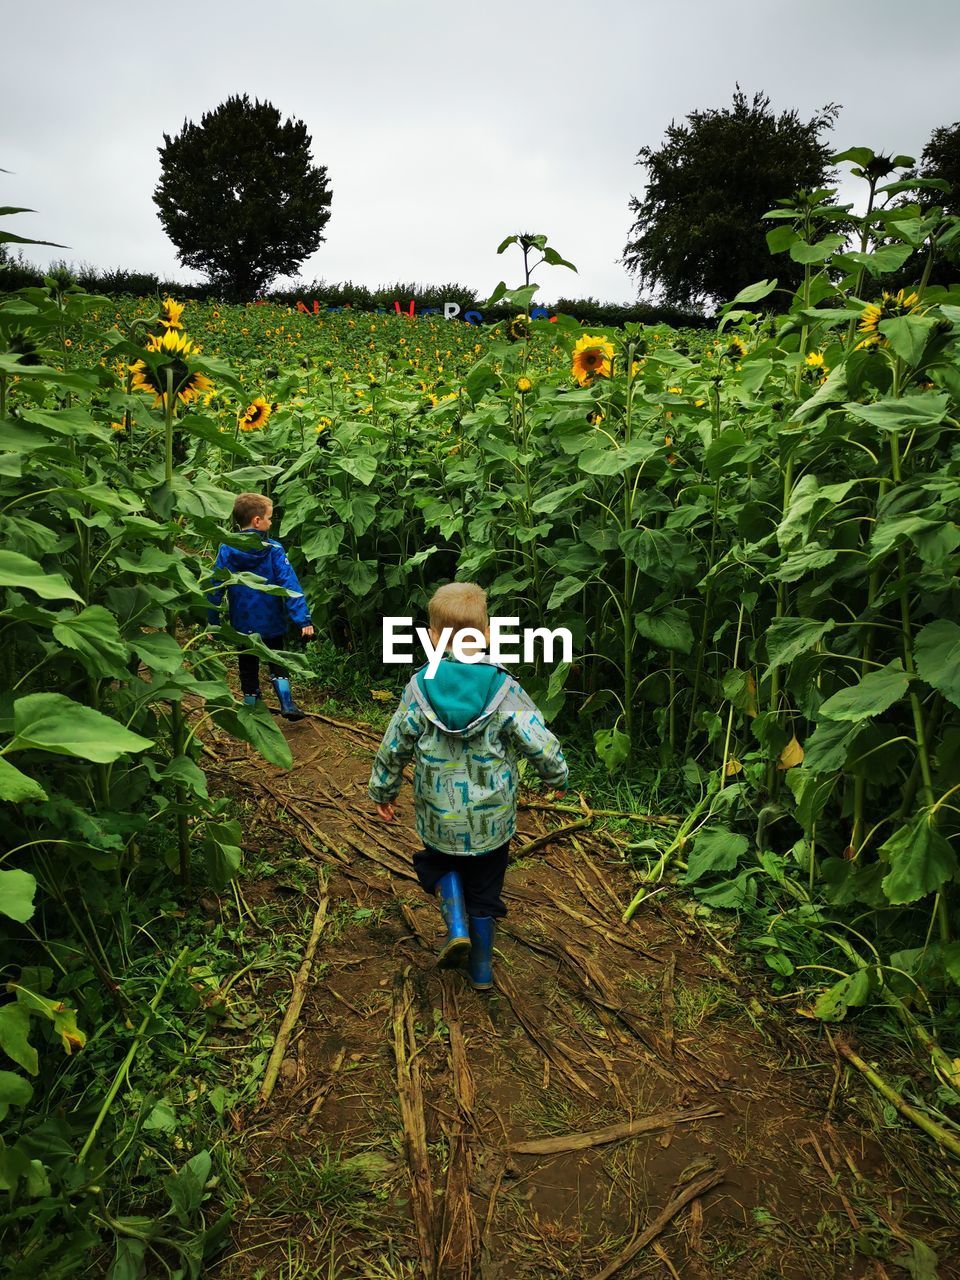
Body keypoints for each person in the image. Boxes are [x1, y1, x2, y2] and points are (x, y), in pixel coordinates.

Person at [368, 582, 568, 991]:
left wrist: (383, 790)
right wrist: (556, 776)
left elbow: (394, 744)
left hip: (438, 815)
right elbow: (539, 740)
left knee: (434, 864)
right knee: (486, 889)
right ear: (488, 633)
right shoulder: (504, 687)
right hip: (491, 821)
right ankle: (480, 968)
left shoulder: (419, 687)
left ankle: (454, 920)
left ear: (434, 637)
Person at [206, 492, 314, 720]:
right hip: (271, 618)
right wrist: (302, 619)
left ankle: (252, 710)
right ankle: (287, 703)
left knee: (247, 664)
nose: (271, 522)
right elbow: (289, 583)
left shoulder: (228, 548)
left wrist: (212, 620)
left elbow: (216, 584)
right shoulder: (273, 549)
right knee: (277, 658)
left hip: (243, 619)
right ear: (257, 521)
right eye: (270, 517)